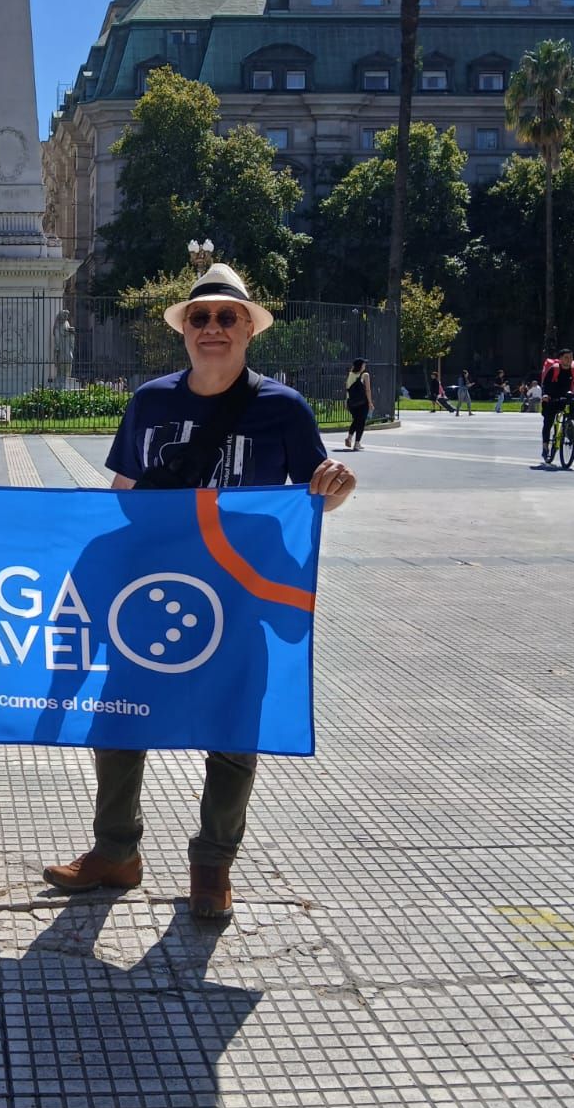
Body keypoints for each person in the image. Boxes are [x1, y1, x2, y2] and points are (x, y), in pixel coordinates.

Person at [41, 263, 357, 923]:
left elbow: (311, 499)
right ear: (185, 329)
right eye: (200, 317)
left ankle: (213, 868)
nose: (212, 327)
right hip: (152, 591)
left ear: (249, 330)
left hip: (239, 597)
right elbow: (123, 496)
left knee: (234, 732)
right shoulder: (150, 402)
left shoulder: (282, 408)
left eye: (226, 317)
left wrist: (334, 490)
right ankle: (115, 851)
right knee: (119, 718)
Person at [540, 347, 574, 463]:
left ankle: (568, 429)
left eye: (571, 357)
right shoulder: (554, 369)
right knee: (548, 422)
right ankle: (545, 446)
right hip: (552, 399)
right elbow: (545, 384)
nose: (569, 359)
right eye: (566, 357)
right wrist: (545, 395)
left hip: (567, 398)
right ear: (560, 359)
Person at [343, 357, 373, 450]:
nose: (365, 365)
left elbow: (348, 389)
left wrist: (346, 402)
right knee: (361, 422)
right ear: (360, 366)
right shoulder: (365, 375)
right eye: (364, 364)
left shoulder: (350, 375)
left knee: (356, 420)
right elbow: (368, 390)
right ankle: (357, 443)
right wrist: (370, 402)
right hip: (362, 403)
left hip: (351, 402)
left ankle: (349, 438)